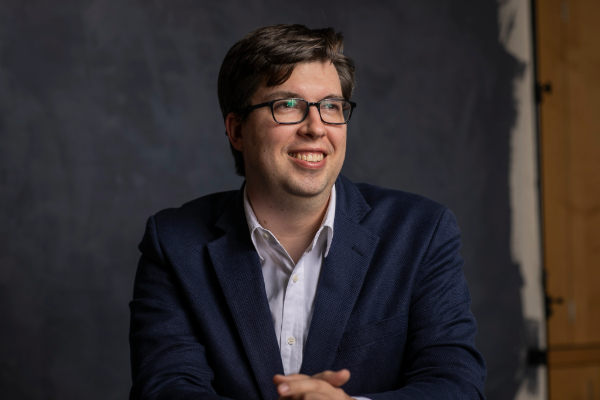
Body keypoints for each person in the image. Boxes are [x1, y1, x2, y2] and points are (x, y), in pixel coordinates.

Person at [129, 24, 486, 400]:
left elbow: (456, 386)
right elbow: (166, 389)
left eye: (331, 106)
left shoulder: (422, 232)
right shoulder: (174, 243)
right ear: (236, 130)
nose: (316, 127)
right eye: (287, 105)